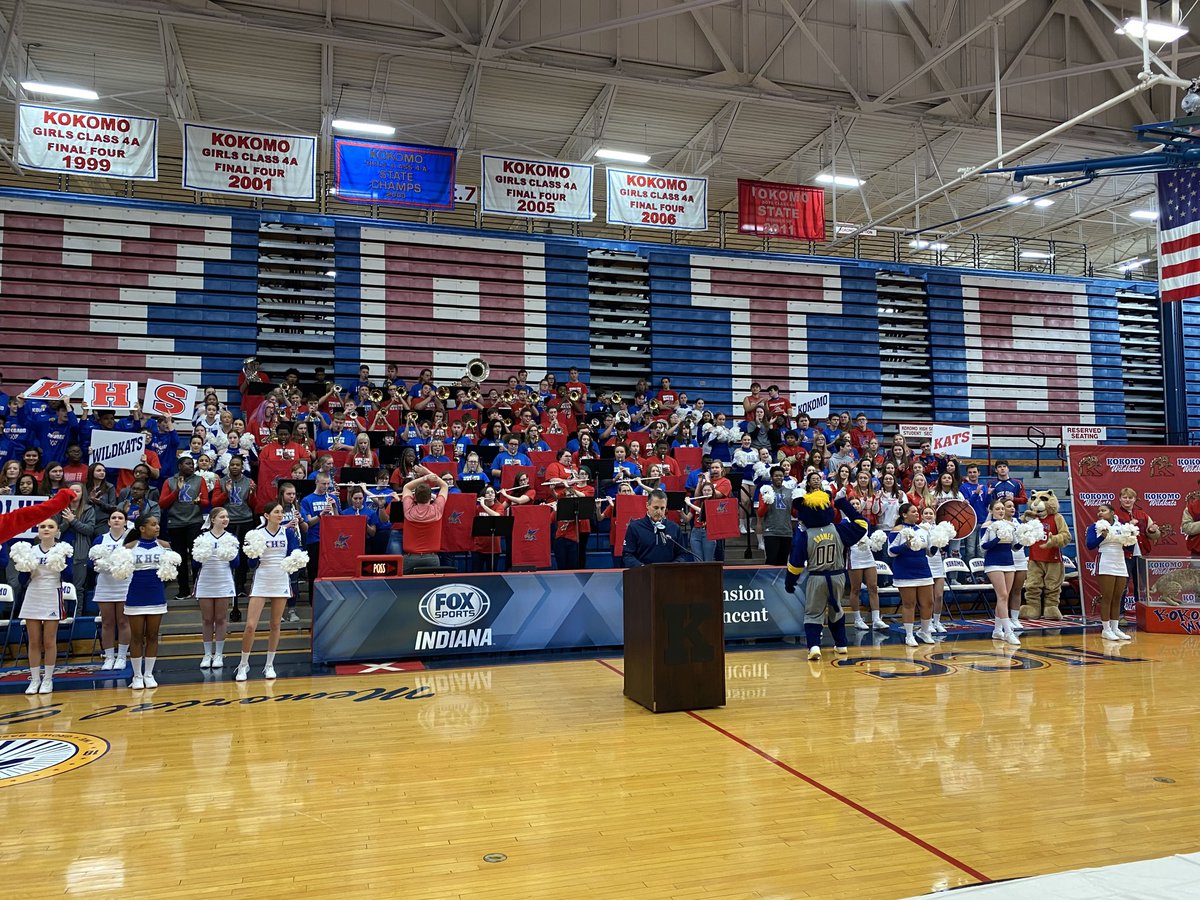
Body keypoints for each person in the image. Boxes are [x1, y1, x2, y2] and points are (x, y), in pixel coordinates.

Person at [784, 492, 869, 659]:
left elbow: (796, 563)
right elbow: (862, 524)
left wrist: (790, 582)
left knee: (813, 613)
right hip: (838, 577)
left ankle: (814, 647)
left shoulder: (805, 535)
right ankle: (842, 644)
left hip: (817, 577)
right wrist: (842, 504)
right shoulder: (839, 529)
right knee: (836, 610)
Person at [238, 500, 302, 681]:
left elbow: (295, 553)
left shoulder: (288, 532)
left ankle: (269, 665)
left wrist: (295, 560)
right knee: (251, 626)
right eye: (276, 512)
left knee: (275, 624)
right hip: (262, 579)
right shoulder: (257, 534)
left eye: (282, 512)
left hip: (280, 579)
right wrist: (253, 553)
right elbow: (251, 564)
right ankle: (243, 664)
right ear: (267, 515)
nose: (281, 515)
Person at [13, 519, 74, 694]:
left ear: (57, 531)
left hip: (52, 593)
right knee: (33, 641)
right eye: (42, 527)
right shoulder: (29, 551)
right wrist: (24, 567)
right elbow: (22, 581)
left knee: (49, 641)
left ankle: (48, 679)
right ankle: (34, 680)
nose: (46, 529)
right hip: (33, 593)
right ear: (38, 531)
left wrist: (62, 564)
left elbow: (70, 577)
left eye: (50, 527)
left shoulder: (63, 549)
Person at [124, 515, 175, 689]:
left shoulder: (165, 546)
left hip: (156, 593)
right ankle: (137, 676)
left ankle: (149, 674)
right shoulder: (129, 547)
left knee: (153, 636)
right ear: (142, 528)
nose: (157, 527)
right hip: (135, 594)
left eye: (158, 524)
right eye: (153, 525)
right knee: (136, 637)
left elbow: (170, 572)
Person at [194, 507, 239, 670]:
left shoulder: (231, 538)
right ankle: (207, 654)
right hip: (206, 580)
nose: (225, 519)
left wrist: (231, 554)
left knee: (221, 619)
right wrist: (200, 555)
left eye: (227, 516)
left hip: (223, 580)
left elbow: (236, 564)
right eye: (221, 517)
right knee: (207, 619)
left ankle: (219, 654)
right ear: (213, 520)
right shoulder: (202, 537)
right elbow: (195, 564)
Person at [887, 502, 936, 647]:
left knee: (928, 602)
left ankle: (925, 631)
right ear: (904, 514)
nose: (917, 513)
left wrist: (938, 545)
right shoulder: (898, 530)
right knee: (909, 604)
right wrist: (905, 546)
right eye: (913, 511)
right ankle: (909, 635)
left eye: (917, 511)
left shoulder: (922, 530)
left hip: (923, 569)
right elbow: (891, 551)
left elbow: (929, 553)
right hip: (905, 571)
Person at [90, 508, 132, 670]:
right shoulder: (100, 539)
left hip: (125, 584)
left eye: (120, 518)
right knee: (107, 623)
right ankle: (108, 657)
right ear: (108, 522)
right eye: (113, 517)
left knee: (123, 621)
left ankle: (121, 656)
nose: (116, 520)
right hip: (105, 584)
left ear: (125, 522)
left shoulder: (131, 539)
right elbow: (93, 560)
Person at [1086, 503, 1133, 641]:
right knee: (1107, 597)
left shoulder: (1122, 526)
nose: (1100, 513)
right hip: (1105, 560)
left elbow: (1129, 547)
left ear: (1112, 512)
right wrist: (1102, 537)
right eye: (1099, 511)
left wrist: (1129, 539)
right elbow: (1090, 545)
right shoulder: (1094, 526)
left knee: (1118, 597)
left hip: (1120, 561)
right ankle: (1106, 629)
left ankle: (1115, 628)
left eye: (1103, 510)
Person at [980, 499, 1020, 645]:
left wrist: (1026, 540)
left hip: (1009, 563)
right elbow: (983, 546)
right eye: (997, 509)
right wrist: (997, 538)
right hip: (993, 563)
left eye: (1002, 508)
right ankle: (1008, 631)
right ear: (991, 511)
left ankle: (997, 631)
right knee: (1003, 595)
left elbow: (1016, 547)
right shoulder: (987, 526)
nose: (1001, 511)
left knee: (1004, 597)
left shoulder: (1011, 525)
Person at [847, 498, 887, 631]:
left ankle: (876, 619)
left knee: (873, 587)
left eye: (857, 503)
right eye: (852, 504)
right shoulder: (844, 522)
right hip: (854, 555)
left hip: (868, 555)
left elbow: (868, 537)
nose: (855, 505)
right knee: (856, 589)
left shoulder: (865, 521)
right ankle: (857, 619)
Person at [623, 489, 687, 567]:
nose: (659, 511)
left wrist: (672, 567)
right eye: (656, 508)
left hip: (668, 575)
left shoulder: (674, 528)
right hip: (643, 575)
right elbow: (627, 555)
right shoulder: (635, 527)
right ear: (647, 505)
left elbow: (682, 554)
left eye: (662, 508)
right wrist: (642, 568)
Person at [401, 470, 449, 574]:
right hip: (431, 558)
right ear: (430, 496)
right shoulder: (437, 509)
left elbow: (406, 487)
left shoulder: (409, 510)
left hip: (410, 559)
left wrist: (425, 478)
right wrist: (428, 473)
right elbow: (445, 486)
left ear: (414, 497)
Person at [757, 466, 795, 566]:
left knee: (783, 563)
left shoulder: (790, 492)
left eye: (781, 476)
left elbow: (794, 513)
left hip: (786, 531)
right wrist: (766, 502)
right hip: (771, 531)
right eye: (776, 476)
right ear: (771, 477)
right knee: (771, 562)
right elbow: (760, 513)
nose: (779, 478)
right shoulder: (765, 491)